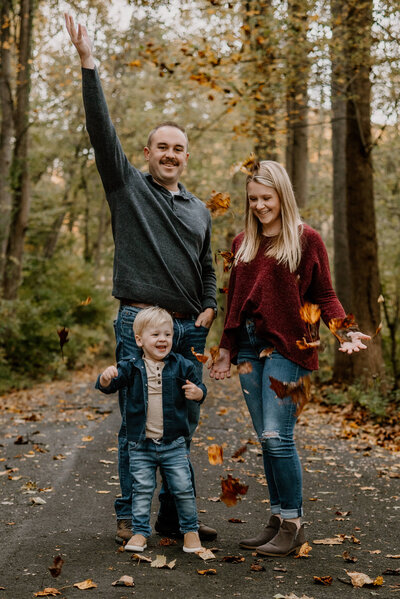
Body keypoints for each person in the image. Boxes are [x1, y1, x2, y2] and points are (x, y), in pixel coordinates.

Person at [64, 13, 217, 544]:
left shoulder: (199, 209)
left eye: (179, 149)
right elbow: (101, 132)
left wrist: (211, 305)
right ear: (147, 153)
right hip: (138, 320)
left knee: (182, 424)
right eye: (162, 147)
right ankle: (133, 517)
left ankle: (176, 522)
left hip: (188, 329)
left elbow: (207, 266)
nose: (171, 155)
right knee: (136, 423)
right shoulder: (128, 188)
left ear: (186, 157)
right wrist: (89, 63)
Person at [210, 160, 370, 557]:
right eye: (253, 200)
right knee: (266, 440)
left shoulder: (306, 239)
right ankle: (278, 518)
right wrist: (226, 350)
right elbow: (235, 305)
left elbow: (326, 295)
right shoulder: (241, 243)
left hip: (290, 347)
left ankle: (294, 523)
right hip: (248, 346)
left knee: (277, 437)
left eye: (267, 198)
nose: (260, 206)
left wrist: (344, 329)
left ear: (283, 195)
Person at [96, 307, 206, 553]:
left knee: (183, 488)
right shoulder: (130, 366)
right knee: (142, 489)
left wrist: (198, 393)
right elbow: (109, 386)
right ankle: (140, 533)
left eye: (167, 334)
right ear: (139, 340)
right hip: (141, 445)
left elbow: (199, 389)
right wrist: (105, 378)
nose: (162, 339)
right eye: (155, 334)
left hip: (173, 444)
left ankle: (190, 531)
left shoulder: (181, 365)